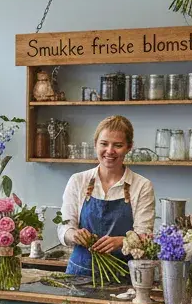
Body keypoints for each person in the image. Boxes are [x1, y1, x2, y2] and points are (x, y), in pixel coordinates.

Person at [58, 115, 155, 277]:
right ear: (95, 144)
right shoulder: (78, 181)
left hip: (122, 275)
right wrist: (73, 234)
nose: (110, 151)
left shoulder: (142, 186)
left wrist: (121, 241)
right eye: (104, 144)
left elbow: (145, 235)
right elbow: (64, 227)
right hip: (79, 274)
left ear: (129, 147)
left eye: (118, 145)